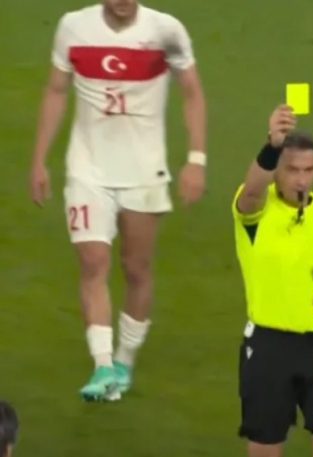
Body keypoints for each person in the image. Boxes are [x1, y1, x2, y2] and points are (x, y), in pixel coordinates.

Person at [28, 0, 207, 401]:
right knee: (94, 262)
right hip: (87, 170)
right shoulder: (73, 26)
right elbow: (56, 90)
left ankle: (125, 360)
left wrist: (196, 160)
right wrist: (39, 159)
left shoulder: (166, 30)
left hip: (144, 172)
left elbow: (192, 93)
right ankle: (103, 365)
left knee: (136, 268)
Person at [233, 105, 313, 457]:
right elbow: (252, 192)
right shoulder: (255, 209)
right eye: (292, 169)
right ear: (277, 170)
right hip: (270, 345)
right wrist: (272, 146)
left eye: (309, 170)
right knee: (265, 444)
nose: (301, 179)